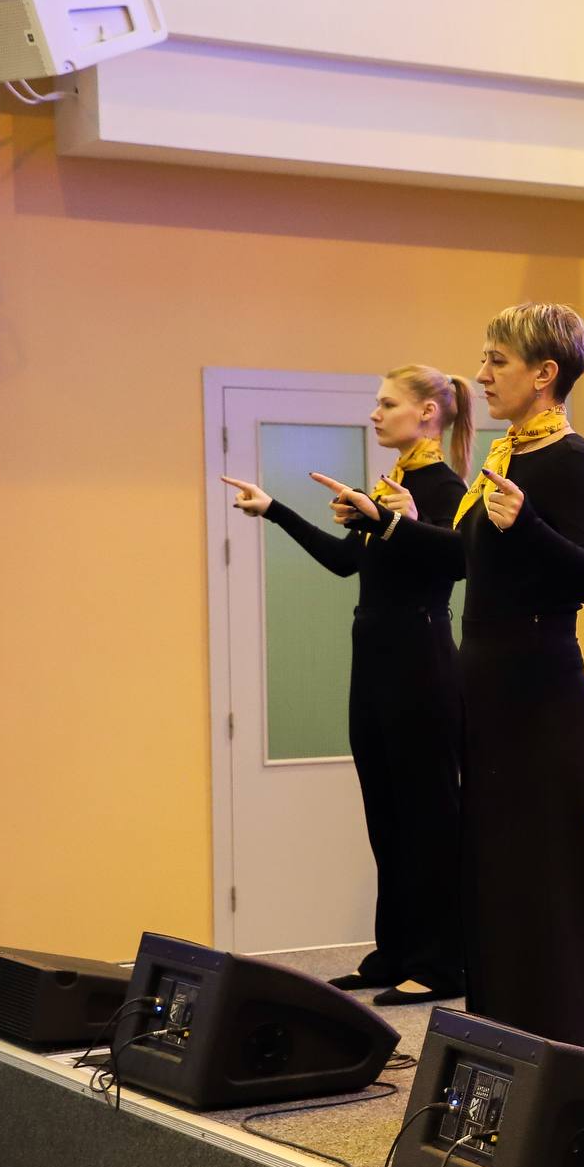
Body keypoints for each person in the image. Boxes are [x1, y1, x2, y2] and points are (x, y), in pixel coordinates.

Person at [347, 304, 584, 1047]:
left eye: (498, 360)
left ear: (545, 373)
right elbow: (467, 560)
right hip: (488, 694)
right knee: (493, 887)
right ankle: (497, 1051)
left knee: (541, 889)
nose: (483, 374)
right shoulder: (506, 457)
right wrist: (393, 522)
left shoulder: (569, 458)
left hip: (542, 697)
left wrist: (527, 525)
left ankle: (552, 1055)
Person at [222, 366, 472, 1006]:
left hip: (422, 662)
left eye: (387, 403)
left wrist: (396, 520)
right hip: (377, 662)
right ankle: (396, 952)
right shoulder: (390, 487)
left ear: (427, 413)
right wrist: (274, 510)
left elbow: (457, 559)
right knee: (386, 814)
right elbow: (344, 562)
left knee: (428, 816)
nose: (375, 414)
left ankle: (442, 964)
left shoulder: (446, 488)